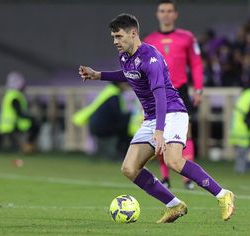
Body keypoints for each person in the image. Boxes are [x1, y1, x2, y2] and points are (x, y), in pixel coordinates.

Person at [79, 13, 234, 223]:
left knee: (174, 160)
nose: (115, 41)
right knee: (129, 168)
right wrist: (98, 75)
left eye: (119, 36)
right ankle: (175, 205)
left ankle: (223, 194)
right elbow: (128, 74)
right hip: (152, 117)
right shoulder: (125, 56)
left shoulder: (150, 57)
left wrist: (159, 132)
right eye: (113, 37)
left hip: (171, 112)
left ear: (133, 33)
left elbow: (160, 96)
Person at [144, 0, 203, 190]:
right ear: (157, 14)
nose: (166, 14)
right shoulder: (149, 41)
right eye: (163, 11)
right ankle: (165, 177)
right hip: (157, 92)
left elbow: (196, 63)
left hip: (181, 91)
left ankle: (186, 178)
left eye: (170, 11)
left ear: (175, 14)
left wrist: (199, 88)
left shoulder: (187, 38)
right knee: (159, 132)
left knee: (186, 132)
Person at [72, 82, 131, 159]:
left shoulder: (109, 92)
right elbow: (117, 115)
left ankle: (115, 154)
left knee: (124, 128)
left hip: (96, 126)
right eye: (126, 84)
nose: (128, 86)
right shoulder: (114, 96)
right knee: (127, 131)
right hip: (103, 128)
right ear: (119, 84)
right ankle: (122, 156)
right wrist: (130, 115)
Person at [0, 71, 40, 153]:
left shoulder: (10, 94)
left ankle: (26, 146)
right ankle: (28, 146)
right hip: (12, 125)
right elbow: (19, 113)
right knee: (35, 123)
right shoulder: (15, 96)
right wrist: (31, 117)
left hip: (5, 125)